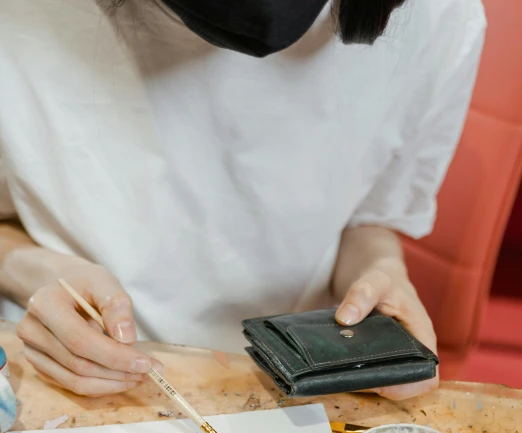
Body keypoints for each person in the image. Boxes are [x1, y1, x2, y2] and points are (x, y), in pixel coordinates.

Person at [0, 0, 486, 399]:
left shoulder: (440, 18)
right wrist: (33, 273)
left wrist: (380, 275)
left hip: (292, 384)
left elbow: (367, 220)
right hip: (66, 368)